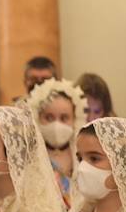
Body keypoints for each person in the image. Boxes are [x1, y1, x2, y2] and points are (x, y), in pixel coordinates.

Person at [27, 77, 89, 205]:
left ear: (75, 119)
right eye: (49, 117)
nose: (56, 124)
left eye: (64, 118)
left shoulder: (84, 156)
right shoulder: (30, 157)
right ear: (37, 118)